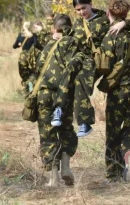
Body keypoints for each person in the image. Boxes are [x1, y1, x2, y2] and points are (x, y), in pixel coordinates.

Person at [51, 0, 130, 138]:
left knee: (81, 81)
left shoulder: (103, 19)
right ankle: (58, 109)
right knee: (68, 72)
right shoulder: (79, 23)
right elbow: (71, 36)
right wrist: (59, 35)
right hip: (80, 57)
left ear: (90, 4)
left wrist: (124, 23)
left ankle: (84, 123)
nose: (81, 12)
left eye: (84, 8)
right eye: (78, 10)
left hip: (95, 59)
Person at [98, 0, 130, 182]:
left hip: (119, 90)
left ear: (108, 13)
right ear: (126, 14)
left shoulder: (108, 38)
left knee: (113, 133)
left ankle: (113, 174)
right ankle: (129, 157)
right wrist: (125, 23)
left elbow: (103, 67)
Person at [35, 14, 78, 187]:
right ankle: (66, 167)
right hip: (65, 94)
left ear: (54, 29)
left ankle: (53, 178)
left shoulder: (47, 47)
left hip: (45, 95)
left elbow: (38, 68)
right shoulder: (73, 45)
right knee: (66, 129)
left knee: (48, 133)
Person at [14, 21, 39, 95]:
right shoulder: (34, 35)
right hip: (32, 56)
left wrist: (19, 45)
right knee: (32, 72)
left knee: (23, 73)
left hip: (23, 56)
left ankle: (26, 89)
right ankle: (31, 84)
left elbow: (14, 46)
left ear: (23, 27)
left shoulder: (20, 35)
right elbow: (36, 44)